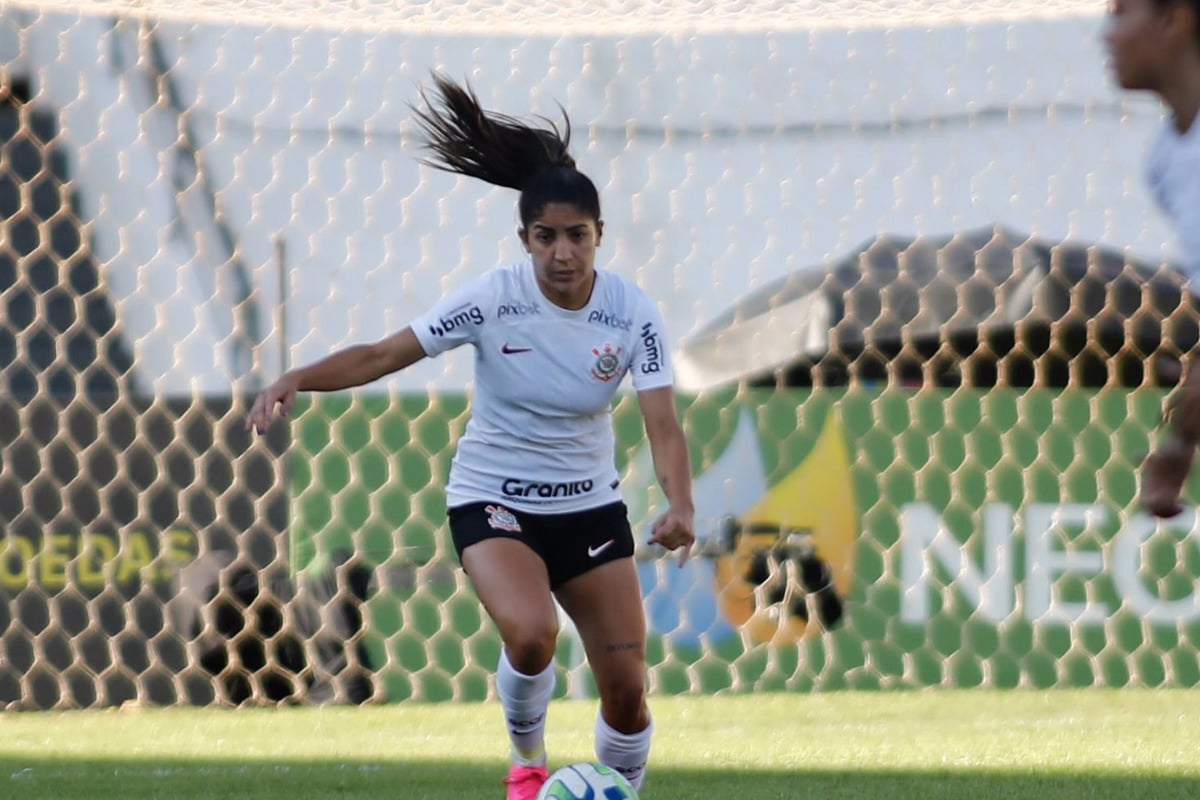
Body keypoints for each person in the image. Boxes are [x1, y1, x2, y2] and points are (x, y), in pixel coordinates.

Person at [246, 73, 696, 799]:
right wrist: (299, 376)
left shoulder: (631, 313)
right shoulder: (492, 299)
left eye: (576, 236)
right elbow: (385, 353)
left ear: (599, 237)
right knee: (531, 634)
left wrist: (681, 506)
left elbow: (662, 421)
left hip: (588, 508)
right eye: (545, 237)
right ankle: (527, 766)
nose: (562, 254)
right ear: (524, 239)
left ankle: (624, 791)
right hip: (495, 502)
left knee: (627, 688)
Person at [1105, 0, 1200, 517]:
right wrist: (1180, 449)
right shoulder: (1166, 162)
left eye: (1121, 13)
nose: (1106, 34)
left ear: (1176, 20)